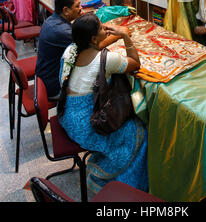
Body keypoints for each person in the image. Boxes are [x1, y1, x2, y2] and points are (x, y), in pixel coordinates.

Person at [57, 13, 148, 195]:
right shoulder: (106, 60)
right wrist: (125, 36)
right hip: (88, 126)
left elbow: (95, 47)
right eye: (101, 28)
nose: (105, 29)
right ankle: (126, 187)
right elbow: (135, 63)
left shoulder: (71, 51)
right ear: (92, 38)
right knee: (139, 133)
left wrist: (113, 34)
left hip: (67, 116)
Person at [35, 0, 82, 99]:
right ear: (65, 10)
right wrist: (119, 35)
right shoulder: (61, 31)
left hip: (45, 77)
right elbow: (93, 45)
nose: (81, 9)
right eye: (77, 6)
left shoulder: (54, 20)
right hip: (54, 86)